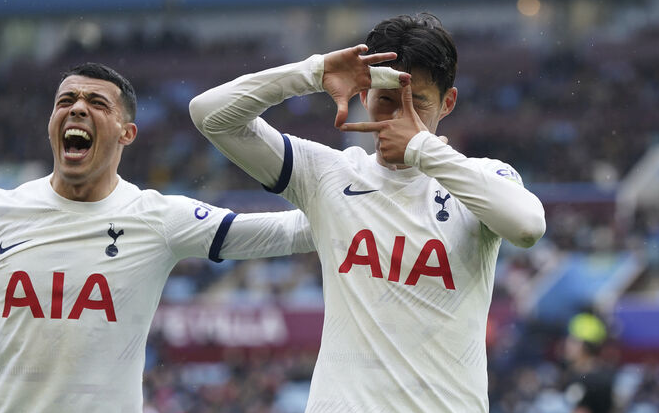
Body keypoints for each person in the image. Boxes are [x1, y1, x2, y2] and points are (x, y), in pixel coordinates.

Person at [190, 12, 546, 412]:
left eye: (417, 104)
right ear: (364, 96)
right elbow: (210, 116)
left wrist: (421, 148)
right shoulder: (327, 174)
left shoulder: (483, 178)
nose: (397, 119)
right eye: (386, 100)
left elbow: (528, 227)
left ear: (448, 103)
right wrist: (314, 73)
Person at [0, 62, 314, 412]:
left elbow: (287, 231)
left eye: (97, 103)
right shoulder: (6, 210)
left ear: (127, 133)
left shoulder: (157, 217)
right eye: (66, 100)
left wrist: (357, 209)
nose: (77, 108)